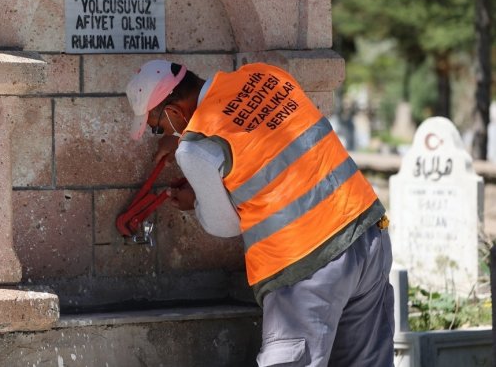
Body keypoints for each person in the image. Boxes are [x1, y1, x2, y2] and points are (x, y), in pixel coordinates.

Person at [126, 59, 393, 367]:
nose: (159, 131)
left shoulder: (196, 150)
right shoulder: (264, 75)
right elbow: (261, 135)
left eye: (157, 127)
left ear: (173, 113)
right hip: (365, 233)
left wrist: (196, 200)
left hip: (304, 266)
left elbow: (224, 224)